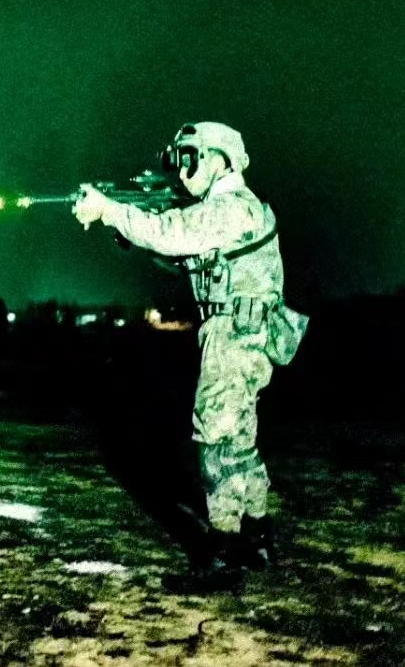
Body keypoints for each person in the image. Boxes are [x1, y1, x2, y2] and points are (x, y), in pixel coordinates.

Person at [72, 122, 307, 592]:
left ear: (221, 159)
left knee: (214, 441)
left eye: (190, 157)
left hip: (234, 336)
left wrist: (111, 210)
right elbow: (182, 256)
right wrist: (130, 229)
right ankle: (257, 537)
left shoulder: (233, 206)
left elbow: (173, 234)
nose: (181, 170)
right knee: (239, 441)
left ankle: (223, 556)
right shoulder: (230, 209)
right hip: (239, 334)